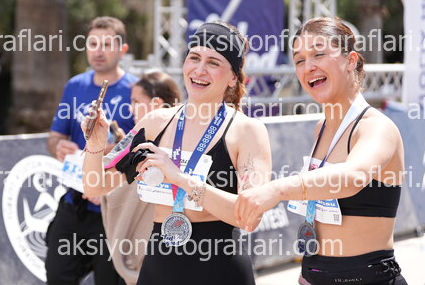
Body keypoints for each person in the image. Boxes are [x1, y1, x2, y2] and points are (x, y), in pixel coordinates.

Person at [81, 21, 272, 285]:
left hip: (219, 270)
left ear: (233, 78)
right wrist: (95, 144)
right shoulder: (155, 122)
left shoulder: (247, 130)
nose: (199, 69)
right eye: (194, 58)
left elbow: (250, 217)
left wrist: (180, 178)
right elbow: (95, 186)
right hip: (159, 268)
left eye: (213, 62)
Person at [235, 17, 407, 285]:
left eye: (319, 54)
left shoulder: (376, 127)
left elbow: (352, 177)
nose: (308, 67)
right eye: (299, 60)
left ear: (351, 60)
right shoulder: (322, 128)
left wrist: (277, 190)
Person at [46, 16, 137, 285]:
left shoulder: (136, 90)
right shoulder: (75, 86)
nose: (98, 51)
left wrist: (111, 151)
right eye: (93, 43)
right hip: (74, 201)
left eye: (107, 44)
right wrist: (58, 146)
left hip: (113, 210)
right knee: (57, 275)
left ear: (122, 49)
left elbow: (146, 147)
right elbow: (55, 136)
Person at [101, 71, 181, 285]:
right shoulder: (134, 139)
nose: (131, 108)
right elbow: (103, 180)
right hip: (146, 257)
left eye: (136, 101)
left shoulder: (174, 142)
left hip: (162, 254)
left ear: (157, 104)